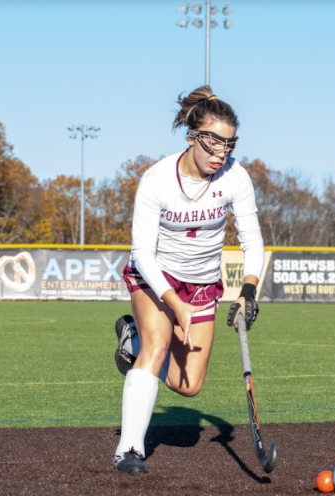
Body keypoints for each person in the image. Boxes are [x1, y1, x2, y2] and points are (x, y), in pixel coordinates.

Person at [111, 86, 265, 475]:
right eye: (213, 144)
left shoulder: (236, 177)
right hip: (155, 278)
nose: (221, 154)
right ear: (192, 138)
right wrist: (174, 303)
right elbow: (142, 253)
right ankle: (129, 450)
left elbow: (252, 241)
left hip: (201, 285)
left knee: (188, 384)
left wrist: (248, 289)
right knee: (158, 344)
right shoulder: (157, 179)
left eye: (229, 145)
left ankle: (133, 338)